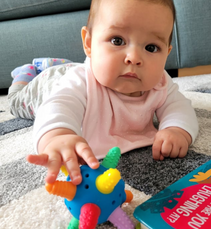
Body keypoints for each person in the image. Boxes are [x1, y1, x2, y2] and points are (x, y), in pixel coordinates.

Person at [8, 0, 199, 186]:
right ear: (89, 43)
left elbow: (179, 107)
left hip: (76, 69)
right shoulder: (78, 82)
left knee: (69, 68)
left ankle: (57, 63)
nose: (134, 58)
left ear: (166, 53)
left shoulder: (160, 82)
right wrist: (57, 135)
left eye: (151, 48)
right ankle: (25, 73)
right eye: (118, 41)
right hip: (43, 88)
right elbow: (58, 105)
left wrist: (176, 129)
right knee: (16, 101)